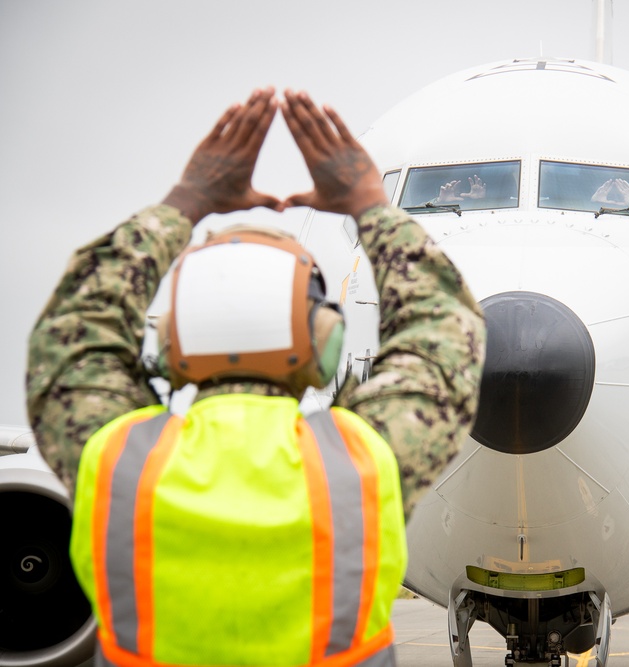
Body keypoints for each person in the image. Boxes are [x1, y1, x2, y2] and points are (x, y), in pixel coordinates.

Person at [25, 87, 485, 666]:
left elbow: (71, 331)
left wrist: (184, 203)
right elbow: (446, 331)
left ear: (171, 340)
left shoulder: (116, 463)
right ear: (323, 339)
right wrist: (371, 204)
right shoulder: (363, 464)